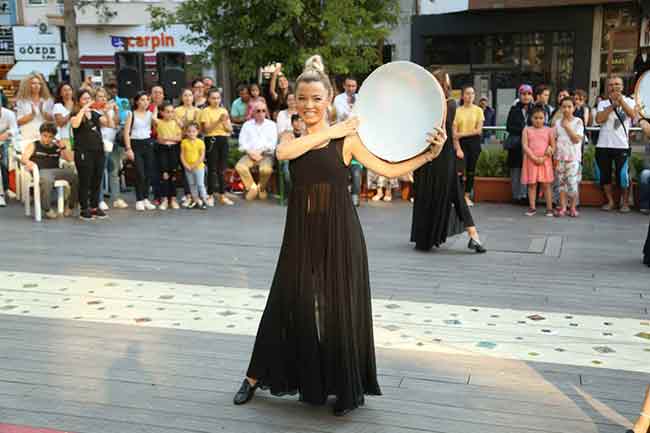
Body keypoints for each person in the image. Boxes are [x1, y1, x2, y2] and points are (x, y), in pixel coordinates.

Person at [233, 54, 446, 416]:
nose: (310, 105)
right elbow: (285, 153)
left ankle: (343, 386)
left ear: (329, 98)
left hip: (340, 232)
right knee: (285, 299)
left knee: (338, 307)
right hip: (301, 235)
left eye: (317, 98)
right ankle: (254, 376)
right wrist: (331, 130)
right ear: (295, 102)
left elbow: (388, 169)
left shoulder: (348, 142)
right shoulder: (290, 133)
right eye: (304, 98)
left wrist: (430, 155)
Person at [410, 69, 486, 253]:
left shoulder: (445, 105)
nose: (448, 85)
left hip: (437, 157)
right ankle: (473, 236)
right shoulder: (441, 104)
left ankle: (431, 236)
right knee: (455, 195)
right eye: (446, 82)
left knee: (439, 194)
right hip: (435, 156)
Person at [595, 75, 636, 212]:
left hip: (621, 145)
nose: (614, 87)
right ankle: (610, 202)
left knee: (623, 176)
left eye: (617, 84)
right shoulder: (602, 103)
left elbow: (632, 115)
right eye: (611, 85)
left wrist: (621, 102)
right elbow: (599, 119)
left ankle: (624, 203)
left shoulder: (630, 101)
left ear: (622, 87)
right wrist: (613, 105)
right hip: (603, 145)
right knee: (605, 175)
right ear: (607, 88)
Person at [71, 88, 113, 221]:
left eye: (89, 99)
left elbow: (110, 124)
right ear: (78, 101)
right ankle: (84, 208)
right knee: (85, 180)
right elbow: (75, 124)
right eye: (84, 99)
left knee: (97, 178)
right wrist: (84, 109)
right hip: (83, 151)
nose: (87, 101)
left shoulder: (95, 114)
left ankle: (95, 206)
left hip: (98, 150)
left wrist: (107, 113)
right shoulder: (75, 114)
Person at [20, 122, 78, 219]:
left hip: (56, 170)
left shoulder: (56, 147)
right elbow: (24, 158)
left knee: (76, 177)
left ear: (54, 137)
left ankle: (70, 206)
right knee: (47, 180)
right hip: (41, 171)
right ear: (41, 134)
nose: (47, 139)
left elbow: (69, 159)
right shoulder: (34, 145)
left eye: (50, 137)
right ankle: (47, 209)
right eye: (45, 136)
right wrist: (28, 162)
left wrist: (63, 148)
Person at [235, 100, 277, 200]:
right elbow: (241, 143)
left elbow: (272, 143)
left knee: (266, 170)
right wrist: (250, 152)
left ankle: (261, 188)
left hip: (265, 154)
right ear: (253, 112)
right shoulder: (247, 125)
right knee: (240, 167)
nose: (261, 113)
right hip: (250, 154)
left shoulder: (272, 125)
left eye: (263, 110)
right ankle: (252, 188)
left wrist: (260, 151)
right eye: (258, 111)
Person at [199, 89, 234, 206]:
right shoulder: (205, 111)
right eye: (213, 98)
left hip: (223, 139)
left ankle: (223, 194)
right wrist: (218, 121)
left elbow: (229, 129)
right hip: (212, 139)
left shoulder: (223, 110)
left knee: (222, 169)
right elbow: (206, 130)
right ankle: (210, 194)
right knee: (212, 168)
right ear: (208, 99)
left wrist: (224, 123)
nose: (216, 100)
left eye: (218, 98)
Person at [124, 91, 158, 212]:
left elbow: (156, 126)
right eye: (142, 99)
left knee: (148, 172)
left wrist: (155, 116)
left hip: (148, 143)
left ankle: (145, 198)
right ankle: (139, 199)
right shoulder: (131, 114)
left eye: (147, 100)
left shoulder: (150, 114)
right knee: (140, 173)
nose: (145, 102)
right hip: (135, 144)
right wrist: (128, 149)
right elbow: (126, 133)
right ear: (137, 101)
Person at [453, 85, 484, 207]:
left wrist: (461, 134)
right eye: (467, 93)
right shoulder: (457, 111)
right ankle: (458, 197)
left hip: (474, 143)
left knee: (471, 171)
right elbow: (454, 134)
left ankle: (466, 195)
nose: (470, 96)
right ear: (462, 96)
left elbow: (478, 131)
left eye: (472, 93)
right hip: (461, 144)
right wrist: (458, 148)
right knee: (459, 171)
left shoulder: (478, 110)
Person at [521, 105, 555, 217]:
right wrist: (534, 158)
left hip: (545, 161)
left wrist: (544, 158)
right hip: (531, 160)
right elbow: (525, 146)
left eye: (541, 118)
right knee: (532, 184)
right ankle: (532, 207)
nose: (538, 120)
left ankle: (549, 208)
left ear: (545, 118)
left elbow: (553, 146)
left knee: (546, 185)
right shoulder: (527, 130)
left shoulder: (549, 130)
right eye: (535, 118)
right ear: (531, 118)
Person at [553, 97, 584, 217]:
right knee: (561, 183)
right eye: (564, 107)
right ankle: (563, 207)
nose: (566, 109)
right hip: (560, 157)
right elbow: (554, 139)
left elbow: (576, 139)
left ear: (574, 108)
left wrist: (567, 126)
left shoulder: (578, 121)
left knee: (572, 183)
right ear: (561, 108)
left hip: (573, 157)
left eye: (569, 106)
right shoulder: (557, 122)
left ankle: (573, 207)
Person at [506, 84, 534, 203]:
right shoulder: (514, 109)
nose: (526, 96)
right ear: (519, 95)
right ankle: (517, 196)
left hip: (532, 144)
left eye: (528, 94)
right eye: (523, 94)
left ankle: (528, 196)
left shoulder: (535, 108)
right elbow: (509, 126)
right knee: (516, 169)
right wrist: (523, 130)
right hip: (517, 145)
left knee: (529, 169)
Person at [93, 87, 120, 211]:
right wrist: (105, 111)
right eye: (100, 96)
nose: (103, 99)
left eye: (104, 96)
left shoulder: (109, 109)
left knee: (113, 170)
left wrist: (116, 111)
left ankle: (116, 198)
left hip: (112, 142)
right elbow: (107, 123)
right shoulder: (95, 110)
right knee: (100, 173)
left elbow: (116, 122)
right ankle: (99, 199)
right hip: (101, 143)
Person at [174, 88, 200, 208]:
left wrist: (190, 123)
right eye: (185, 95)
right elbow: (178, 126)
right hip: (182, 142)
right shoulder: (176, 110)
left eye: (190, 95)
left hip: (195, 143)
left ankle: (196, 194)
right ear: (182, 97)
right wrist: (185, 124)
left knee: (196, 167)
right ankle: (187, 194)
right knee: (185, 169)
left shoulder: (197, 110)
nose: (188, 98)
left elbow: (197, 128)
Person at [15, 73, 54, 147]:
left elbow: (52, 120)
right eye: (33, 83)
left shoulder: (48, 100)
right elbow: (18, 122)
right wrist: (31, 115)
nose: (36, 86)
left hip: (45, 138)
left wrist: (43, 112)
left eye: (39, 83)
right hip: (27, 137)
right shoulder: (22, 101)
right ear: (27, 85)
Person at [156, 102, 183, 210]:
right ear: (161, 112)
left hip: (174, 150)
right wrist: (169, 138)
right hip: (163, 150)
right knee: (164, 174)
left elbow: (178, 138)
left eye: (172, 112)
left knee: (174, 173)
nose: (170, 114)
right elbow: (159, 139)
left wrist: (166, 138)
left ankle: (173, 198)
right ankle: (165, 199)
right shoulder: (159, 122)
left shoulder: (176, 123)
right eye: (167, 112)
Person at [180, 122, 208, 209]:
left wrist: (195, 165)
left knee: (200, 184)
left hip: (198, 167)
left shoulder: (200, 142)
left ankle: (204, 201)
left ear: (197, 132)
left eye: (193, 131)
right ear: (186, 132)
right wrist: (185, 165)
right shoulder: (184, 142)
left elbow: (202, 156)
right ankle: (195, 201)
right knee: (192, 184)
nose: (191, 133)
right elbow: (182, 154)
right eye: (189, 131)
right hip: (188, 167)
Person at [0, 105, 18, 207]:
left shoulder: (9, 114)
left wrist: (8, 133)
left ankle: (5, 189)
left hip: (4, 141)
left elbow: (15, 129)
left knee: (4, 162)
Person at [52, 83, 75, 151]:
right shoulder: (57, 106)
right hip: (65, 138)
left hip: (79, 137)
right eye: (65, 90)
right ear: (60, 93)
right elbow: (60, 123)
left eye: (69, 90)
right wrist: (72, 112)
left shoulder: (77, 104)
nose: (67, 92)